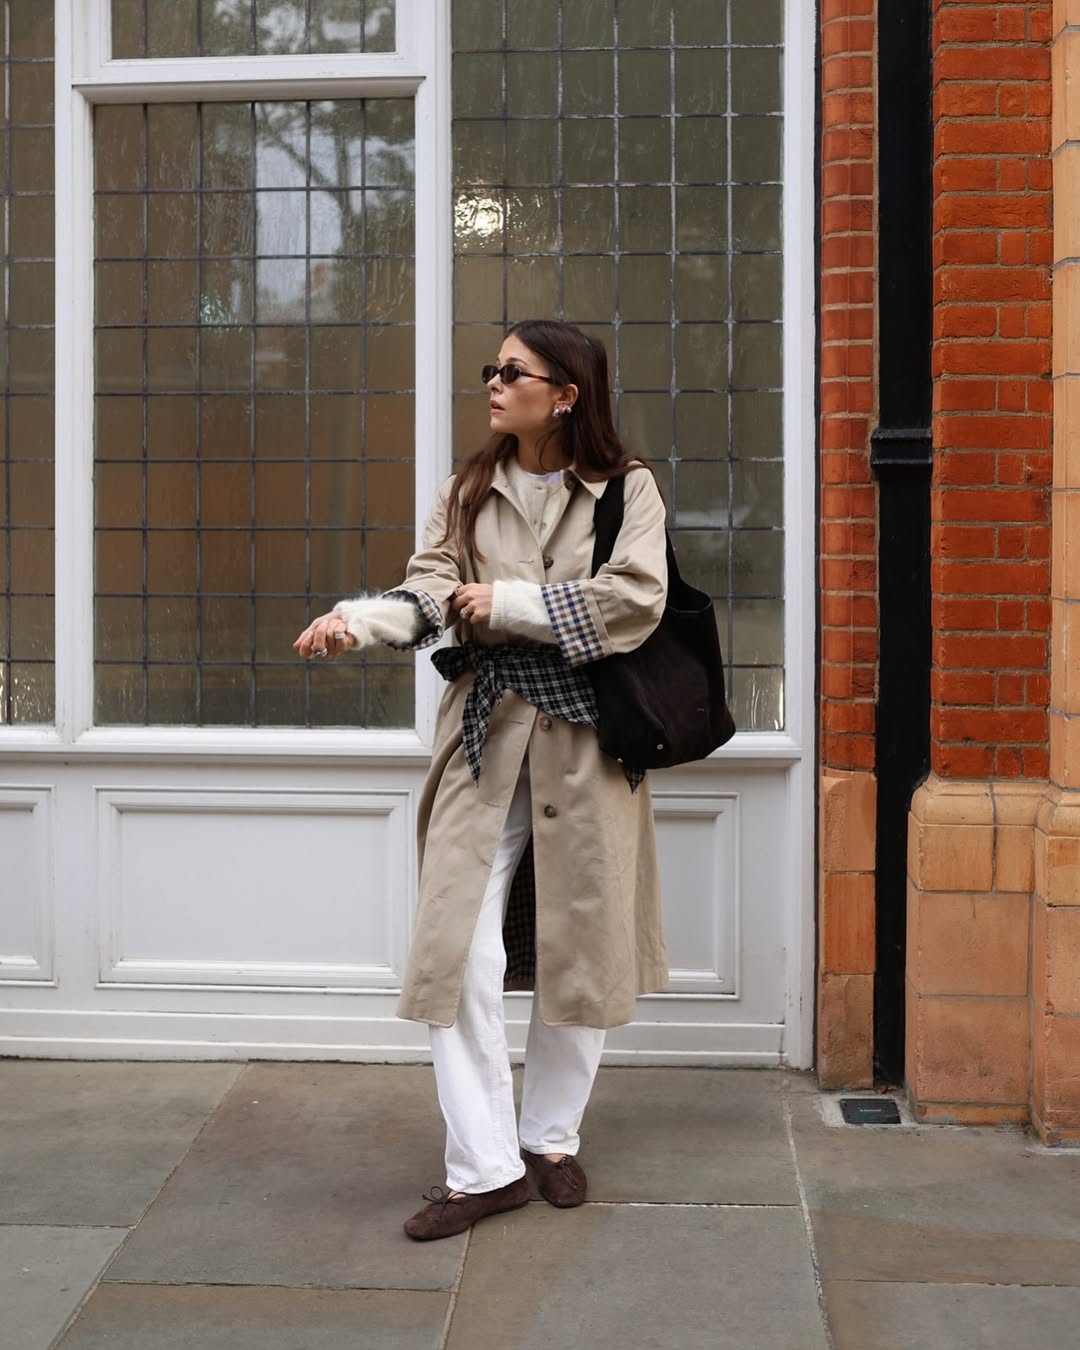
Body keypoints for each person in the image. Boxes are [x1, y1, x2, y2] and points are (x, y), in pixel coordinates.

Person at [293, 319, 669, 1241]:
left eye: (513, 371)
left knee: (582, 944)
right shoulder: (468, 487)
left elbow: (638, 600)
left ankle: (549, 1139)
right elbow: (430, 587)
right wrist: (364, 620)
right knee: (458, 947)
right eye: (490, 370)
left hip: (586, 744)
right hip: (483, 732)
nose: (494, 384)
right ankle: (485, 1168)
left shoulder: (628, 489)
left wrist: (508, 604)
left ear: (566, 392)